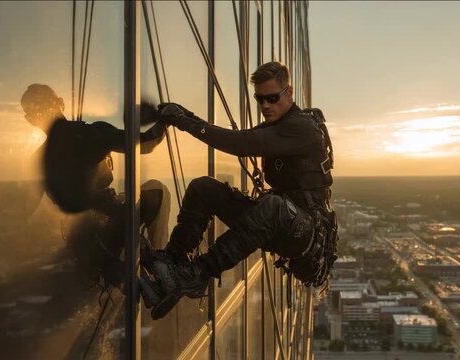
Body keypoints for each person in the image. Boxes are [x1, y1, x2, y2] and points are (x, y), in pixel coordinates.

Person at [140, 62, 338, 319]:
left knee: (274, 206)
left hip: (306, 233)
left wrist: (181, 121)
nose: (265, 105)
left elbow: (241, 143)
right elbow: (236, 138)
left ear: (288, 93)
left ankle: (197, 275)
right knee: (203, 189)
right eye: (260, 99)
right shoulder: (279, 125)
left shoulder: (300, 127)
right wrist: (184, 115)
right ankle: (171, 264)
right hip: (280, 221)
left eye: (272, 98)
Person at [20, 84, 168, 287]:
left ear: (31, 120)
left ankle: (136, 272)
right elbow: (147, 143)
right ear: (59, 103)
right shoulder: (93, 133)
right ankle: (161, 269)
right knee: (159, 189)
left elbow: (24, 210)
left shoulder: (40, 159)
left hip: (84, 242)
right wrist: (166, 118)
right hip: (111, 225)